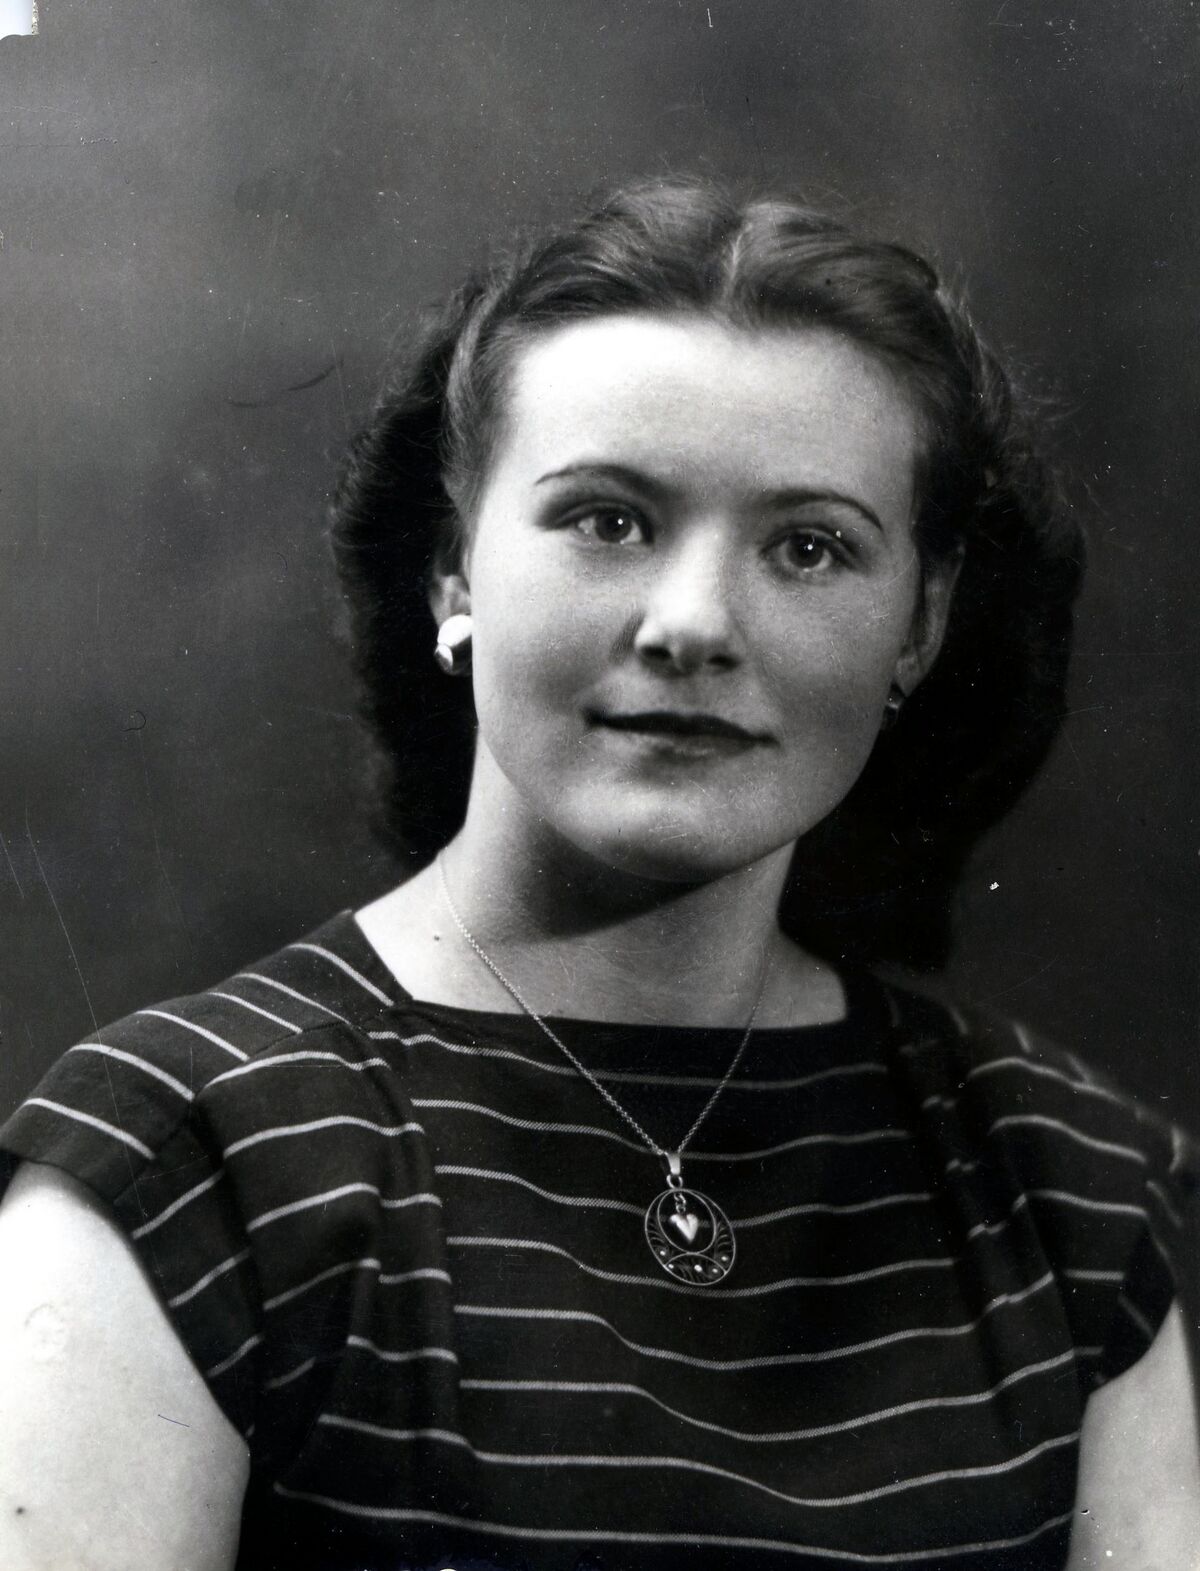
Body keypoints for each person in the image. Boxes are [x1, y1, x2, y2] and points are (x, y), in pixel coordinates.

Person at [0, 178, 1196, 1571]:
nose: (693, 624)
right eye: (610, 521)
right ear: (454, 573)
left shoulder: (1067, 1189)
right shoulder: (184, 1173)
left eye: (809, 547)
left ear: (917, 628)